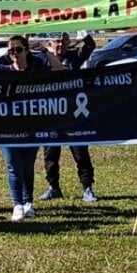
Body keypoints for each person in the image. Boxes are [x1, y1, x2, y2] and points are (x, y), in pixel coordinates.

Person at [0, 34, 63, 222]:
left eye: (18, 49)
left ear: (26, 50)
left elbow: (59, 69)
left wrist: (44, 49)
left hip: (31, 127)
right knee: (13, 166)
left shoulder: (37, 69)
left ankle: (28, 203)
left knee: (27, 167)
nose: (15, 54)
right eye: (11, 50)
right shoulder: (3, 71)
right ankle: (17, 204)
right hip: (6, 128)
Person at [40, 32, 98, 203]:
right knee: (51, 153)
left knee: (80, 152)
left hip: (73, 114)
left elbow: (90, 46)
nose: (60, 44)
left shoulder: (74, 57)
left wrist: (81, 29)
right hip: (51, 114)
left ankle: (87, 188)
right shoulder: (43, 60)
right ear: (50, 42)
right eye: (57, 41)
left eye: (64, 41)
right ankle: (53, 187)